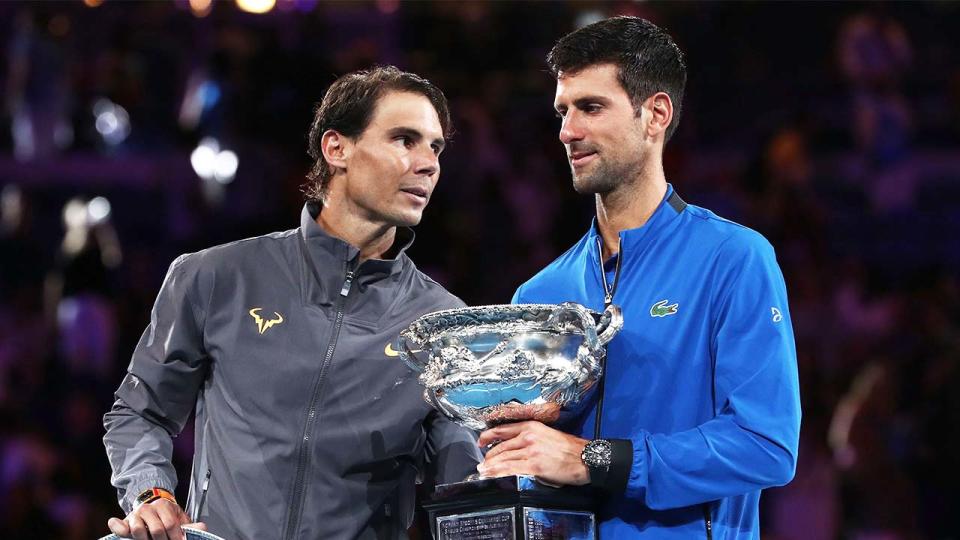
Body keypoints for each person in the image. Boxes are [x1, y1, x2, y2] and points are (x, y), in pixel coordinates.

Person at [103, 65, 481, 540]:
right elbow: (140, 412)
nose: (428, 163)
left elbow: (463, 480)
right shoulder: (216, 276)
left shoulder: (444, 324)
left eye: (436, 147)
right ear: (336, 148)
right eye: (405, 140)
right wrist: (150, 493)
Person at [476, 16, 801, 539]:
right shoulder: (538, 295)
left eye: (591, 107)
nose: (567, 130)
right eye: (563, 110)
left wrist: (594, 459)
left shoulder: (733, 259)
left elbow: (766, 446)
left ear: (655, 115)